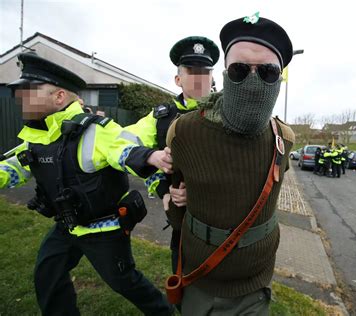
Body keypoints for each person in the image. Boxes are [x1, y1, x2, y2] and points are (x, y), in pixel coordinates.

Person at [0, 53, 172, 315]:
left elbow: (123, 149)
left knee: (124, 281)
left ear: (58, 97)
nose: (19, 98)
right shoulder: (37, 136)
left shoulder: (96, 130)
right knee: (48, 274)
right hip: (66, 227)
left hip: (104, 229)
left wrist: (151, 156)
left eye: (28, 92)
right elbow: (14, 166)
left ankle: (163, 311)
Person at [164, 13, 295, 315]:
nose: (252, 81)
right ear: (223, 74)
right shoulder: (183, 131)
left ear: (280, 79)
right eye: (238, 69)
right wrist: (174, 201)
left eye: (268, 72)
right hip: (199, 279)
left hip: (254, 284)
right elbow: (176, 194)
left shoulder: (284, 139)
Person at [109, 36, 219, 274]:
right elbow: (117, 146)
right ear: (178, 80)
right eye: (192, 71)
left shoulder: (227, 114)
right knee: (181, 280)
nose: (200, 77)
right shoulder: (160, 117)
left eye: (205, 71)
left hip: (222, 220)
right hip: (181, 222)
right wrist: (154, 166)